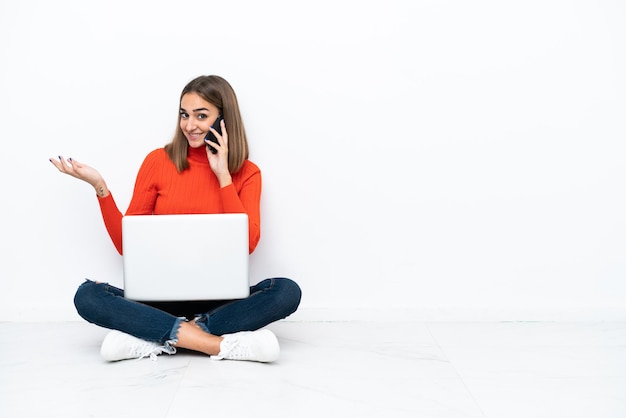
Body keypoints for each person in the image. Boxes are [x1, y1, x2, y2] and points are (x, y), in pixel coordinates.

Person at [50, 75, 301, 363]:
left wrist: (223, 176)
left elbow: (247, 244)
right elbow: (126, 245)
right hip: (158, 300)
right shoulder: (157, 162)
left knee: (286, 291)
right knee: (87, 295)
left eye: (201, 116)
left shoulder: (247, 173)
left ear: (224, 119)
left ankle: (153, 336)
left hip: (221, 302)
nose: (189, 125)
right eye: (184, 115)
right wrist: (99, 186)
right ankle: (215, 344)